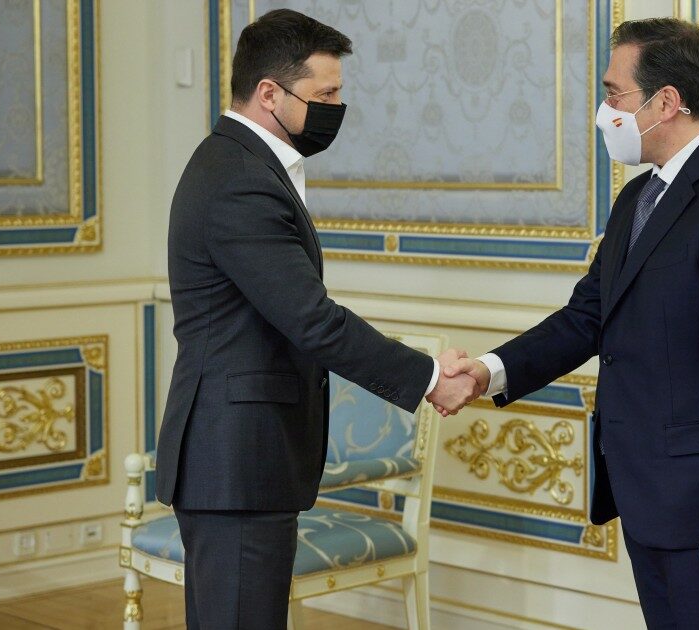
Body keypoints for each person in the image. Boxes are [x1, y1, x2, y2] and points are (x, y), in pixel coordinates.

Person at [443, 17, 699, 629]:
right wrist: (487, 372)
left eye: (615, 94)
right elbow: (587, 316)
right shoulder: (638, 197)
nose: (605, 111)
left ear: (666, 102)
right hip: (650, 496)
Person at [156, 9, 478, 628]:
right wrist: (431, 377)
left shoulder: (241, 164)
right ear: (269, 93)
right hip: (237, 461)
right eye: (325, 96)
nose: (336, 109)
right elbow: (313, 321)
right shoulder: (239, 180)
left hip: (246, 459)